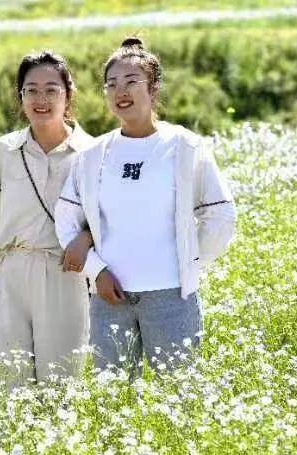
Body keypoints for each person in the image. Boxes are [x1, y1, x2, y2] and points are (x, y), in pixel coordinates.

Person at [55, 37, 236, 376]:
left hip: (171, 297)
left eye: (131, 82)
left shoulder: (184, 147)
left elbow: (221, 215)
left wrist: (190, 262)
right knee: (112, 401)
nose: (120, 91)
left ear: (153, 90)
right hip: (109, 298)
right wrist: (97, 271)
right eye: (111, 85)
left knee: (181, 397)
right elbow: (66, 220)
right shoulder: (93, 155)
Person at [0, 51, 96, 386]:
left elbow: (106, 219)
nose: (40, 99)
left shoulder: (92, 153)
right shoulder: (4, 152)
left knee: (62, 381)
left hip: (65, 273)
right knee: (10, 380)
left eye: (51, 90)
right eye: (31, 90)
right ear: (20, 95)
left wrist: (85, 243)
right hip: (11, 273)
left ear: (68, 94)